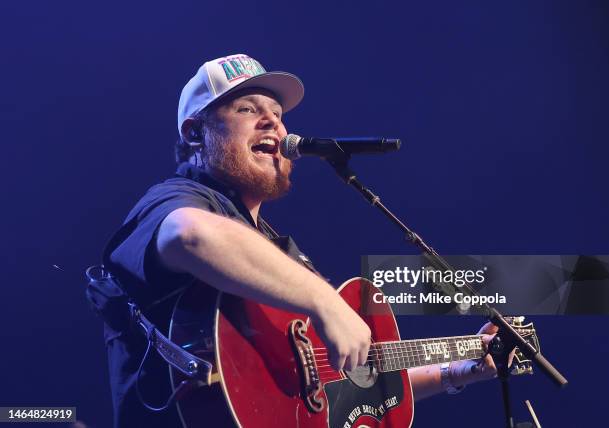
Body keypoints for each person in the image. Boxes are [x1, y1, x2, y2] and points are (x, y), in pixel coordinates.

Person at [101, 54, 501, 428]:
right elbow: (190, 235)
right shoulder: (177, 199)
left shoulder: (276, 255)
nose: (272, 123)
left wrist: (459, 368)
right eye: (247, 109)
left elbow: (345, 379)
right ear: (194, 132)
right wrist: (326, 301)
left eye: (277, 115)